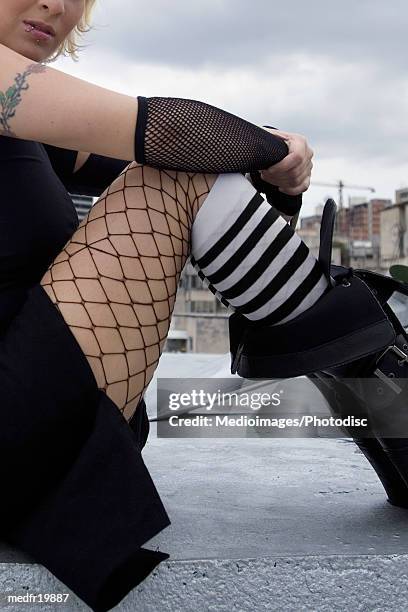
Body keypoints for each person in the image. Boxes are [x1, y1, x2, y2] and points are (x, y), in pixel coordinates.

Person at [1, 2, 406, 611]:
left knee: (182, 166)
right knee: (179, 170)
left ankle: (365, 368)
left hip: (31, 408)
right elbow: (164, 132)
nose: (56, 5)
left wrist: (272, 154)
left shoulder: (30, 134)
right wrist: (268, 147)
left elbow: (174, 153)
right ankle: (375, 373)